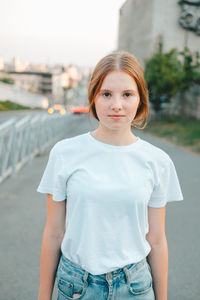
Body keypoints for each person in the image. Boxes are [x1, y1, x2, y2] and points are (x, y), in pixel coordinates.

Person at [37, 51, 184, 300]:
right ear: (93, 97)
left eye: (127, 94)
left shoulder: (157, 161)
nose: (116, 104)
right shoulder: (64, 153)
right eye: (106, 94)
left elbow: (157, 239)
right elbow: (53, 232)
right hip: (75, 287)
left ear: (140, 99)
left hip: (135, 287)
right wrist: (43, 296)